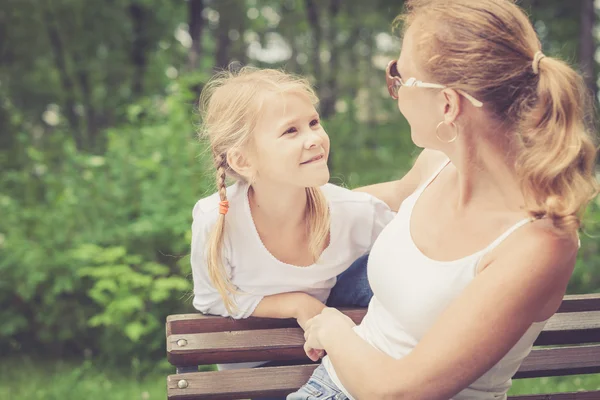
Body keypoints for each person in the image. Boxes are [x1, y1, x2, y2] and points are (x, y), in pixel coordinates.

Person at [291, 0, 599, 399]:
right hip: (330, 385)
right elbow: (390, 197)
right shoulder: (440, 163)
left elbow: (399, 393)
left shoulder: (538, 243)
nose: (395, 93)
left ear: (448, 104)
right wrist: (277, 204)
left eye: (398, 77)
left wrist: (333, 329)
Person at [190, 66, 396, 375]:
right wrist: (297, 304)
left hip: (340, 358)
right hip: (265, 366)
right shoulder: (217, 220)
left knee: (395, 260)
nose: (314, 138)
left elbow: (418, 267)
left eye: (314, 122)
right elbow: (212, 299)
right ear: (242, 160)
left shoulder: (359, 213)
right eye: (291, 131)